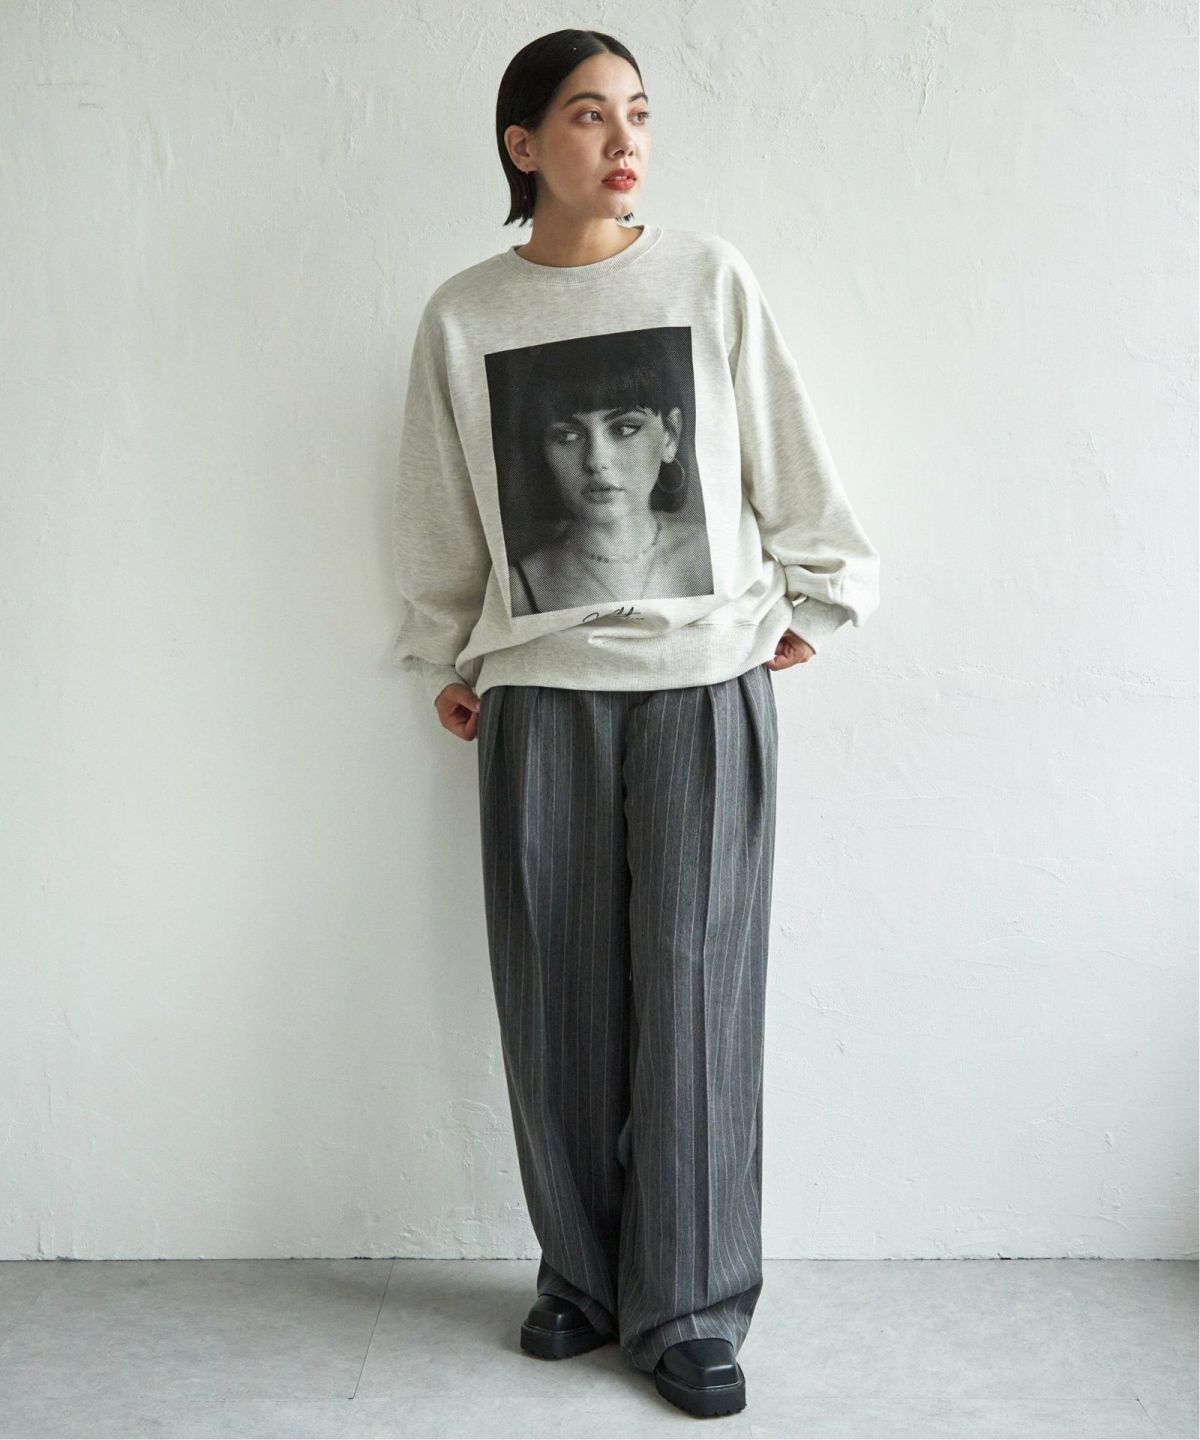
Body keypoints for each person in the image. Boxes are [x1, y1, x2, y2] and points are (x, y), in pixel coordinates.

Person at [390, 28, 881, 1421]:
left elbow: (785, 452)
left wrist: (820, 598)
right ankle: (585, 1276)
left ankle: (692, 1306)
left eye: (641, 115)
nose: (625, 143)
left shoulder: (707, 277)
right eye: (589, 116)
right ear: (523, 145)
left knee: (697, 997)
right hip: (540, 692)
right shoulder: (465, 315)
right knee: (555, 1002)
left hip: (701, 686)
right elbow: (440, 504)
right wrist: (447, 649)